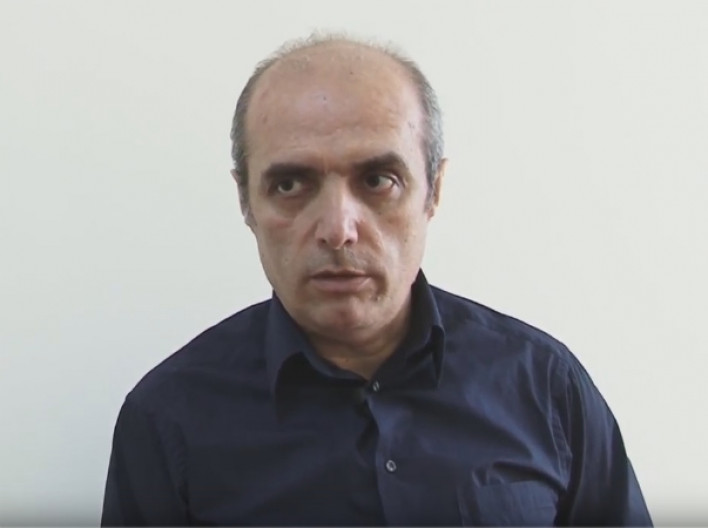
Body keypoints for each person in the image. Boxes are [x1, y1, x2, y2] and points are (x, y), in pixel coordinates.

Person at [101, 33, 652, 526]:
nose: (338, 230)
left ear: (433, 190)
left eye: (378, 180)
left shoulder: (545, 385)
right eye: (291, 185)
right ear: (246, 200)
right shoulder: (167, 419)